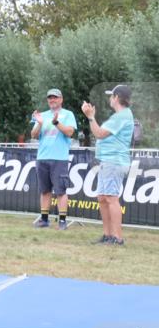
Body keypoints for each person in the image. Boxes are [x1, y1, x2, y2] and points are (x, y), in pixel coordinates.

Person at [82, 85, 135, 246]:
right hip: (109, 161)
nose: (110, 99)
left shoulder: (122, 116)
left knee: (111, 198)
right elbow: (100, 133)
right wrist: (91, 117)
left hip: (114, 161)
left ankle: (117, 238)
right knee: (102, 198)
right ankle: (108, 235)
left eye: (111, 96)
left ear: (117, 97)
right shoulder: (120, 116)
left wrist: (91, 117)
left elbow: (99, 133)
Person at [31, 88, 78, 229]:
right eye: (50, 98)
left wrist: (56, 122)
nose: (52, 100)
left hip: (59, 158)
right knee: (45, 190)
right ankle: (44, 220)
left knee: (60, 191)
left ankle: (62, 221)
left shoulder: (68, 114)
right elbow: (33, 135)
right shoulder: (42, 115)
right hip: (42, 157)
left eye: (55, 97)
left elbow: (70, 132)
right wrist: (39, 123)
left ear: (61, 99)